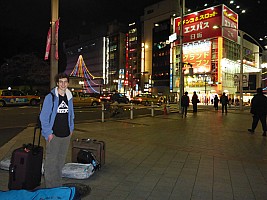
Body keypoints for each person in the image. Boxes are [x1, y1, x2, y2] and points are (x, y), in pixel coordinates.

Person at [40, 73, 75, 188]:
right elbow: (43, 117)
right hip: (54, 136)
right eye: (61, 82)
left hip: (66, 135)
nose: (63, 84)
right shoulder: (51, 97)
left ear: (68, 83)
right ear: (57, 83)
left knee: (60, 162)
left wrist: (71, 128)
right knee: (51, 164)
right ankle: (50, 188)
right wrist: (48, 133)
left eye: (65, 82)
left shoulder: (69, 96)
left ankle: (57, 185)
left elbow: (71, 114)